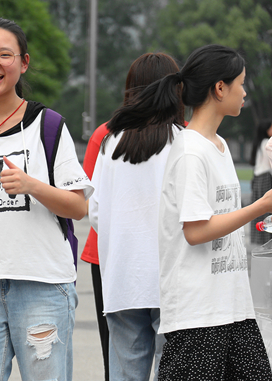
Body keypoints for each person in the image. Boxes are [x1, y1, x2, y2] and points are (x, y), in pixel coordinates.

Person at [0, 17, 93, 381]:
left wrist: (32, 185)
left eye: (4, 55)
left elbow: (79, 206)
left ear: (23, 63)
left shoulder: (49, 125)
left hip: (41, 285)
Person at [109, 44, 272, 380]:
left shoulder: (219, 146)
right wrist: (259, 207)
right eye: (240, 83)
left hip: (233, 308)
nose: (244, 92)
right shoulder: (190, 152)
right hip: (197, 315)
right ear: (219, 88)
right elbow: (196, 231)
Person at [88, 53, 185, 380]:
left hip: (122, 282)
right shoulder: (182, 142)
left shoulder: (110, 143)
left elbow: (96, 213)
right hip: (172, 283)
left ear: (132, 90)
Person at [80, 124, 110, 381]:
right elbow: (87, 196)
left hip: (109, 253)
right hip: (106, 255)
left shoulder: (107, 133)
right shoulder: (106, 134)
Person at [249, 119, 272, 245]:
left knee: (258, 210)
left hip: (257, 178)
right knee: (267, 208)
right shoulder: (267, 143)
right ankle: (266, 238)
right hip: (265, 178)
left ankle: (258, 238)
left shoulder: (258, 143)